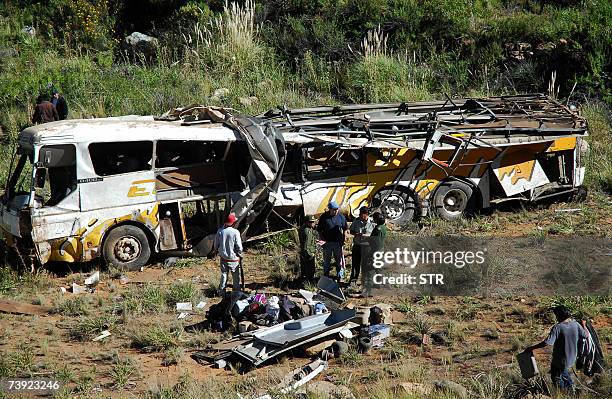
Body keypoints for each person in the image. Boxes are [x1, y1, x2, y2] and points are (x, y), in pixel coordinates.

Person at [523, 305, 588, 391]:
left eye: (556, 315)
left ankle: (567, 393)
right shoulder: (576, 325)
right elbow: (586, 335)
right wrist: (584, 325)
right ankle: (569, 391)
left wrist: (532, 348)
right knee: (565, 376)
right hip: (572, 359)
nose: (556, 317)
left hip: (559, 361)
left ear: (559, 315)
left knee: (558, 379)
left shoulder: (558, 327)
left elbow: (547, 342)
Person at [316, 201, 348, 281]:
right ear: (329, 209)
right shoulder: (324, 217)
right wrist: (322, 241)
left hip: (338, 243)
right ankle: (326, 277)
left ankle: (339, 276)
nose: (336, 211)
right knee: (327, 261)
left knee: (339, 261)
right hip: (327, 243)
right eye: (334, 209)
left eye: (337, 209)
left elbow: (345, 229)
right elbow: (319, 230)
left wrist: (344, 239)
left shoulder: (341, 217)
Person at [213, 213, 243, 295]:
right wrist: (239, 253)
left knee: (224, 274)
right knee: (235, 276)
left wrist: (216, 252)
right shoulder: (235, 232)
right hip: (233, 258)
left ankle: (221, 291)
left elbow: (216, 245)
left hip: (223, 257)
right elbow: (239, 247)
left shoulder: (220, 231)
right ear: (233, 222)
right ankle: (236, 291)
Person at [362, 211, 387, 296]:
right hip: (381, 249)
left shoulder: (377, 229)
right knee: (378, 266)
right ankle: (379, 282)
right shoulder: (383, 227)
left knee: (371, 268)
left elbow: (375, 240)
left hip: (376, 249)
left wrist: (366, 238)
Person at [349, 206, 374, 285]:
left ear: (366, 214)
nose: (360, 215)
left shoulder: (373, 223)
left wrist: (366, 236)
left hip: (367, 247)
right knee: (355, 264)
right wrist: (356, 234)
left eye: (361, 214)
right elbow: (351, 230)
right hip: (357, 246)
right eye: (359, 214)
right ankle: (353, 281)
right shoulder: (356, 221)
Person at [299, 215, 318, 282]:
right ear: (307, 222)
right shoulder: (307, 231)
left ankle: (305, 280)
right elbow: (307, 245)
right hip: (308, 253)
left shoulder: (303, 228)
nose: (313, 223)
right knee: (310, 269)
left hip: (304, 252)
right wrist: (310, 254)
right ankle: (309, 282)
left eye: (313, 222)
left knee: (305, 269)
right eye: (311, 222)